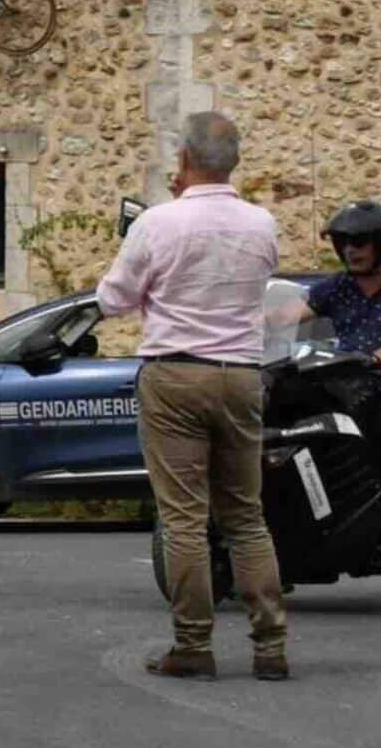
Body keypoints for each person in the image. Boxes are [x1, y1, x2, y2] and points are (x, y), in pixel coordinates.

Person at [96, 111, 286, 679]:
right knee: (247, 517)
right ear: (236, 162)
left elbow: (114, 298)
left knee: (183, 519)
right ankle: (270, 643)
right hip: (242, 372)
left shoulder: (158, 223)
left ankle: (194, 644)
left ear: (183, 160)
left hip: (176, 373)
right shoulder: (261, 223)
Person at [278, 200, 381, 620]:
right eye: (344, 242)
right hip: (346, 396)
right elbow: (289, 313)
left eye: (361, 241)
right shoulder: (337, 287)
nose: (351, 249)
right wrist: (244, 325)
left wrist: (378, 359)